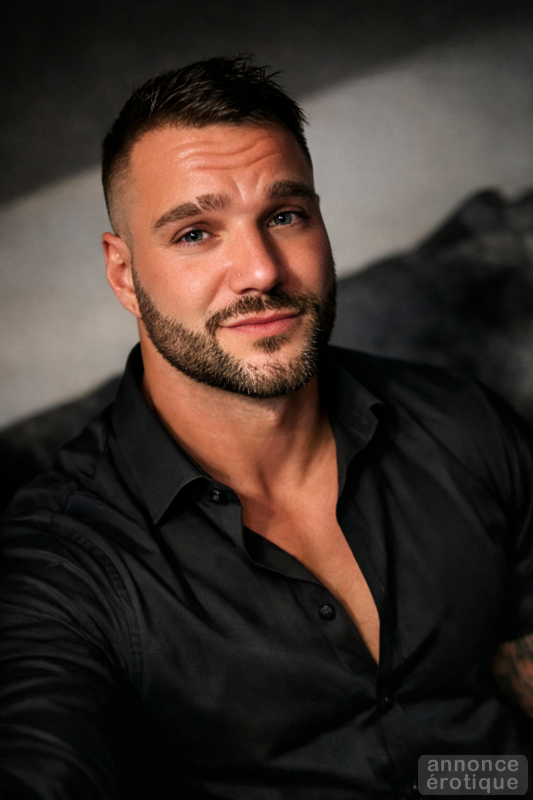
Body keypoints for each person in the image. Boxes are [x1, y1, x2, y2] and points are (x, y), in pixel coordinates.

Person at [1, 55, 533, 800]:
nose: (261, 271)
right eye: (196, 232)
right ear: (124, 274)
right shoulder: (65, 560)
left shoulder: (460, 423)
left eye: (284, 216)